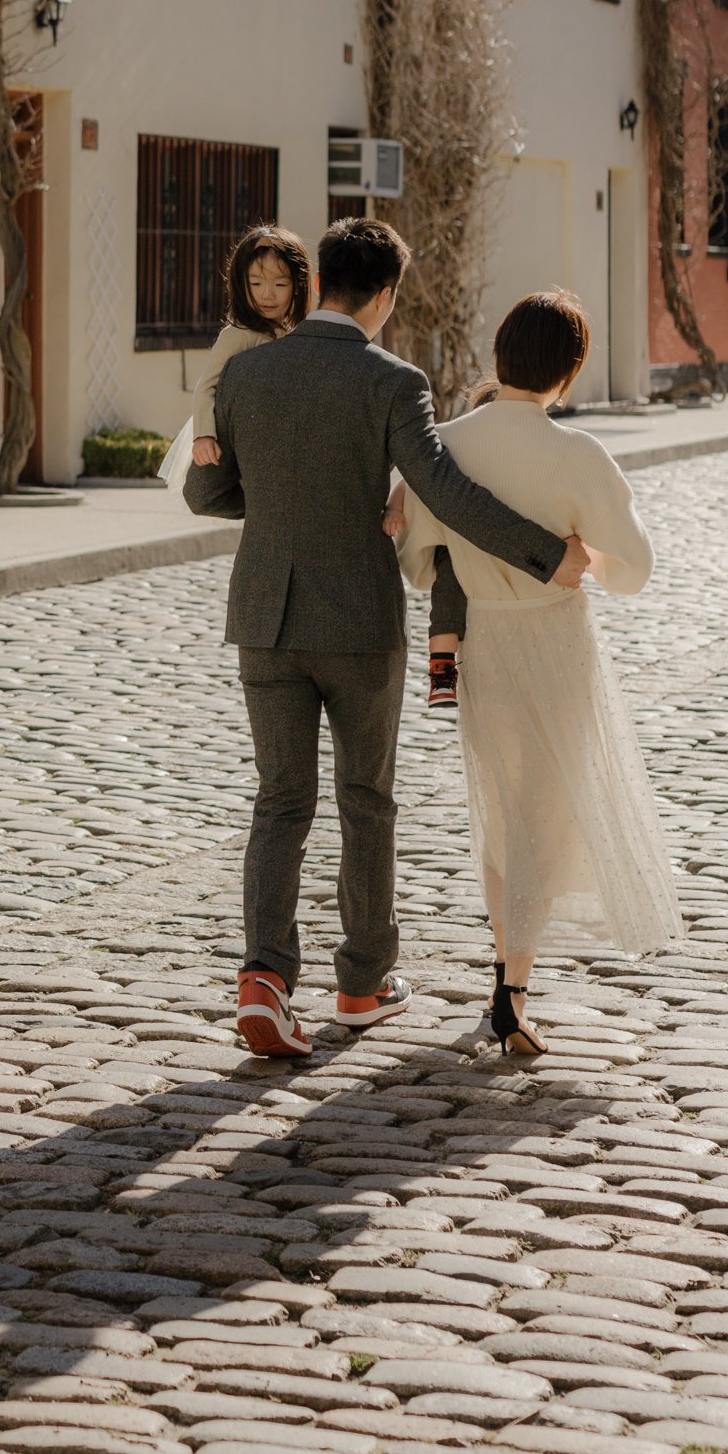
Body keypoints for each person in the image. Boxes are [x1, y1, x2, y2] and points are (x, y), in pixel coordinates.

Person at [184, 218, 590, 1060]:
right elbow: (442, 490)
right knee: (365, 801)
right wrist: (548, 555)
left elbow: (208, 493)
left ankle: (263, 978)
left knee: (279, 803)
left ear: (320, 279)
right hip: (359, 626)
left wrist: (283, 500)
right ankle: (362, 985)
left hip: (264, 616)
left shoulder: (246, 371)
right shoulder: (393, 381)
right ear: (385, 296)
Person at [391, 291, 682, 1057]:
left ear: (500, 355)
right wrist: (583, 561)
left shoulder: (445, 442)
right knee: (545, 814)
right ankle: (513, 989)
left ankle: (505, 976)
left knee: (500, 810)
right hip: (555, 643)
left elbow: (419, 564)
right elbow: (635, 570)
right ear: (570, 371)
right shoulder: (579, 455)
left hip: (485, 639)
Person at [155, 226, 313, 492]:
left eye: (280, 284)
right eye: (256, 283)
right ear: (241, 284)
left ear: (298, 287)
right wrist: (204, 435)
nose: (267, 294)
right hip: (241, 440)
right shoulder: (239, 333)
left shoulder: (290, 334)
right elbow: (206, 387)